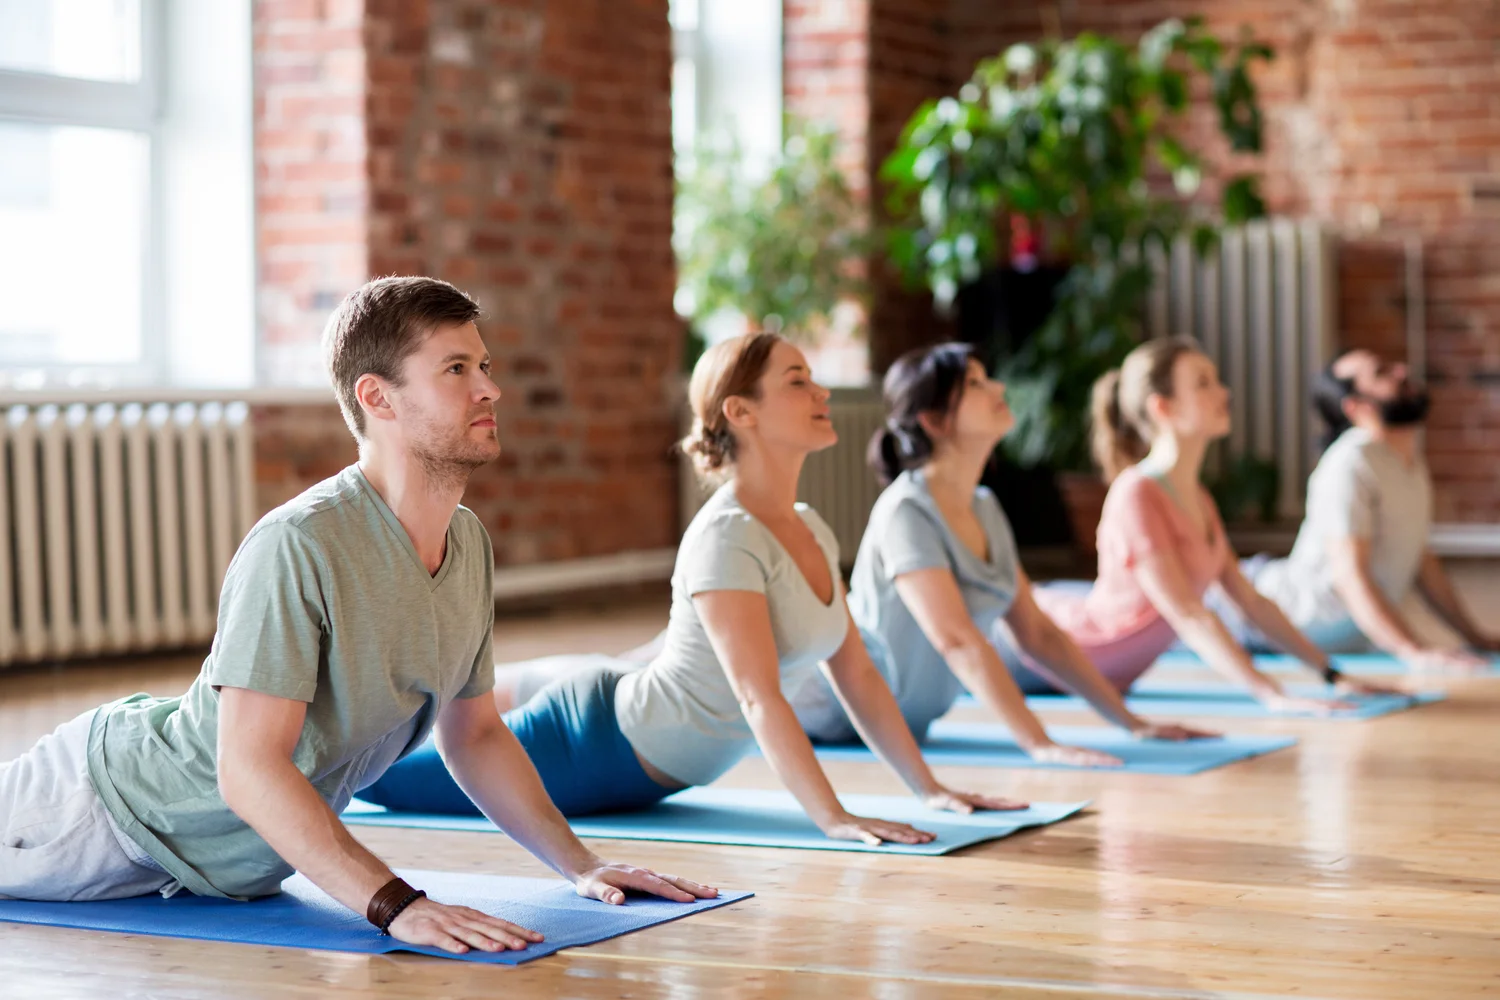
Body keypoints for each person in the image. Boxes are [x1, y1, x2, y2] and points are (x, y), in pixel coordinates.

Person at [0, 277, 713, 956]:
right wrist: (394, 903)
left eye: (485, 365)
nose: (491, 388)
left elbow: (478, 734)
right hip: (94, 813)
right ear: (379, 398)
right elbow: (248, 768)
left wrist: (580, 865)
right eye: (457, 369)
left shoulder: (465, 542)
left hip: (210, 874)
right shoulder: (300, 542)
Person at [362, 332, 1025, 845]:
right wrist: (834, 819)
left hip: (647, 756)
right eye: (798, 381)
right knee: (370, 780)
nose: (822, 394)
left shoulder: (812, 528)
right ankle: (294, 744)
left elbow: (857, 675)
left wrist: (929, 789)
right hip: (598, 745)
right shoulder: (727, 535)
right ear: (742, 412)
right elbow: (759, 697)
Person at [787, 343, 1217, 764]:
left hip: (903, 724)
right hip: (830, 705)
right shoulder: (906, 512)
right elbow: (956, 640)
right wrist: (1038, 744)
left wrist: (1131, 723)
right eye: (975, 384)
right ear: (935, 421)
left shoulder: (985, 507)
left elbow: (1039, 634)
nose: (998, 389)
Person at [1002, 337, 1395, 713]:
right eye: (1203, 384)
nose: (1224, 393)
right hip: (1040, 653)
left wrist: (1331, 673)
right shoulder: (1136, 494)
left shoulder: (1198, 499)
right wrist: (1272, 695)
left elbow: (1252, 602)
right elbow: (1188, 614)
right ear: (1163, 408)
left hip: (1107, 674)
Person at [1227, 349, 1499, 672]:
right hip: (1260, 610)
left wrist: (1476, 637)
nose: (1401, 369)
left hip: (1340, 634)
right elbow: (1349, 575)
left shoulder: (1408, 461)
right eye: (1382, 373)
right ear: (1357, 407)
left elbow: (1420, 560)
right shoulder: (1350, 464)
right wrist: (1413, 651)